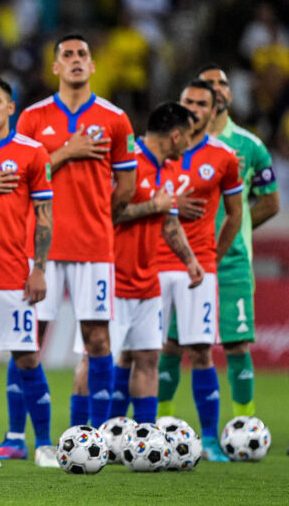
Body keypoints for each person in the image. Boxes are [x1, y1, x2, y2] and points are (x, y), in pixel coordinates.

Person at [12, 33, 137, 438]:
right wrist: (68, 151)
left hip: (94, 246)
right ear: (55, 66)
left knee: (98, 340)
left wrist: (101, 215)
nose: (76, 59)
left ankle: (93, 435)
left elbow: (128, 185)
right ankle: (20, 436)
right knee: (29, 341)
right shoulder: (32, 117)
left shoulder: (115, 118)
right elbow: (21, 175)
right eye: (67, 54)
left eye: (83, 53)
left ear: (93, 64)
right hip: (42, 248)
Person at [159, 64, 280, 418]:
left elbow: (270, 202)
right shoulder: (169, 145)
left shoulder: (248, 146)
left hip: (230, 261)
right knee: (172, 344)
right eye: (207, 84)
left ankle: (245, 425)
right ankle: (161, 420)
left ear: (221, 98)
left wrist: (235, 231)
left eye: (222, 83)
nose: (217, 88)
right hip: (177, 259)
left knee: (236, 342)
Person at [0, 76, 58, 467]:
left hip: (11, 275)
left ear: (10, 107)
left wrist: (39, 269)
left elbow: (45, 216)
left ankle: (46, 443)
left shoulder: (33, 152)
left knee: (28, 358)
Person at [156, 79, 243, 461]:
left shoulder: (224, 156)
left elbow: (235, 214)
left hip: (199, 269)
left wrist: (213, 258)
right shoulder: (159, 151)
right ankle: (145, 428)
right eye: (187, 100)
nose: (193, 107)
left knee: (201, 351)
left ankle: (209, 439)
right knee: (146, 351)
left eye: (201, 103)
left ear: (213, 109)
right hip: (154, 264)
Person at [103, 102, 205, 423]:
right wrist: (152, 205)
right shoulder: (126, 163)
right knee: (101, 361)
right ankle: (98, 431)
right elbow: (107, 216)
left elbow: (169, 221)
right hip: (114, 279)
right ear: (175, 136)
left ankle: (145, 436)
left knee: (147, 357)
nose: (191, 143)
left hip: (148, 280)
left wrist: (190, 260)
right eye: (189, 136)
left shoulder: (170, 169)